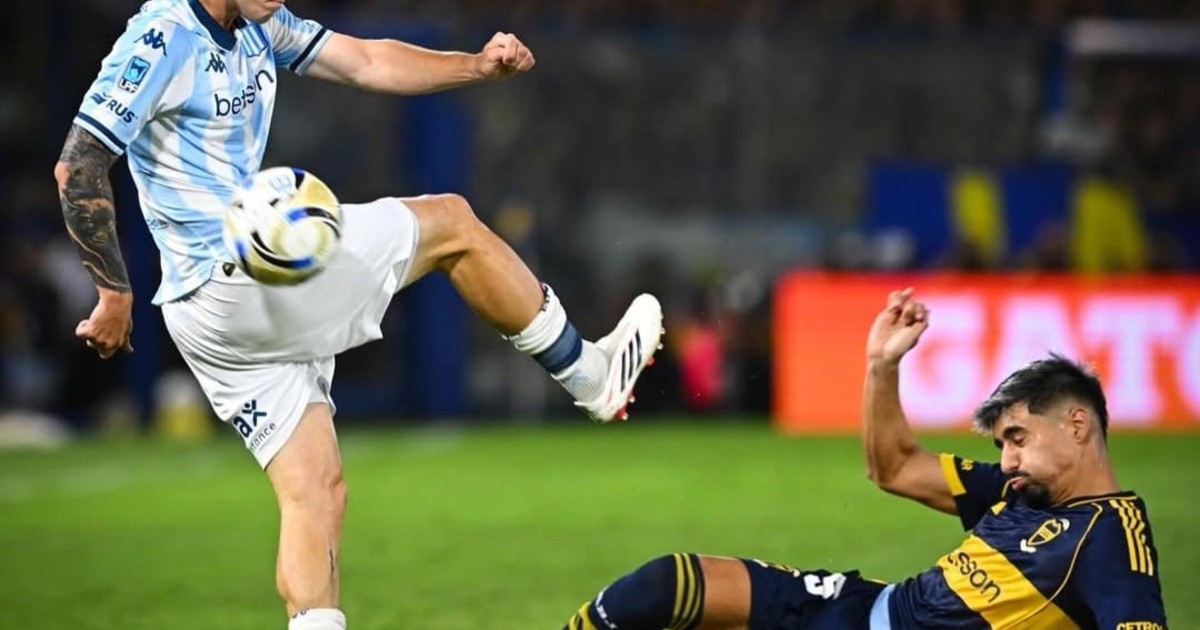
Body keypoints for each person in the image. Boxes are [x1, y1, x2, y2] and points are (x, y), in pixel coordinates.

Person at [54, 1, 664, 628]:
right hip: (242, 278)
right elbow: (79, 163)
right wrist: (113, 292)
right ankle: (589, 374)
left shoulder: (262, 22)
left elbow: (369, 60)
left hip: (208, 317)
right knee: (452, 223)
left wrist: (476, 67)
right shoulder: (162, 36)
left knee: (314, 492)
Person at [561, 288, 1167, 630]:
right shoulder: (1020, 490)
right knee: (664, 586)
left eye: (1018, 437)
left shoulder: (1111, 538)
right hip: (859, 608)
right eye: (1002, 444)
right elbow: (895, 468)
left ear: (1077, 425)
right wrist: (881, 366)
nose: (1007, 459)